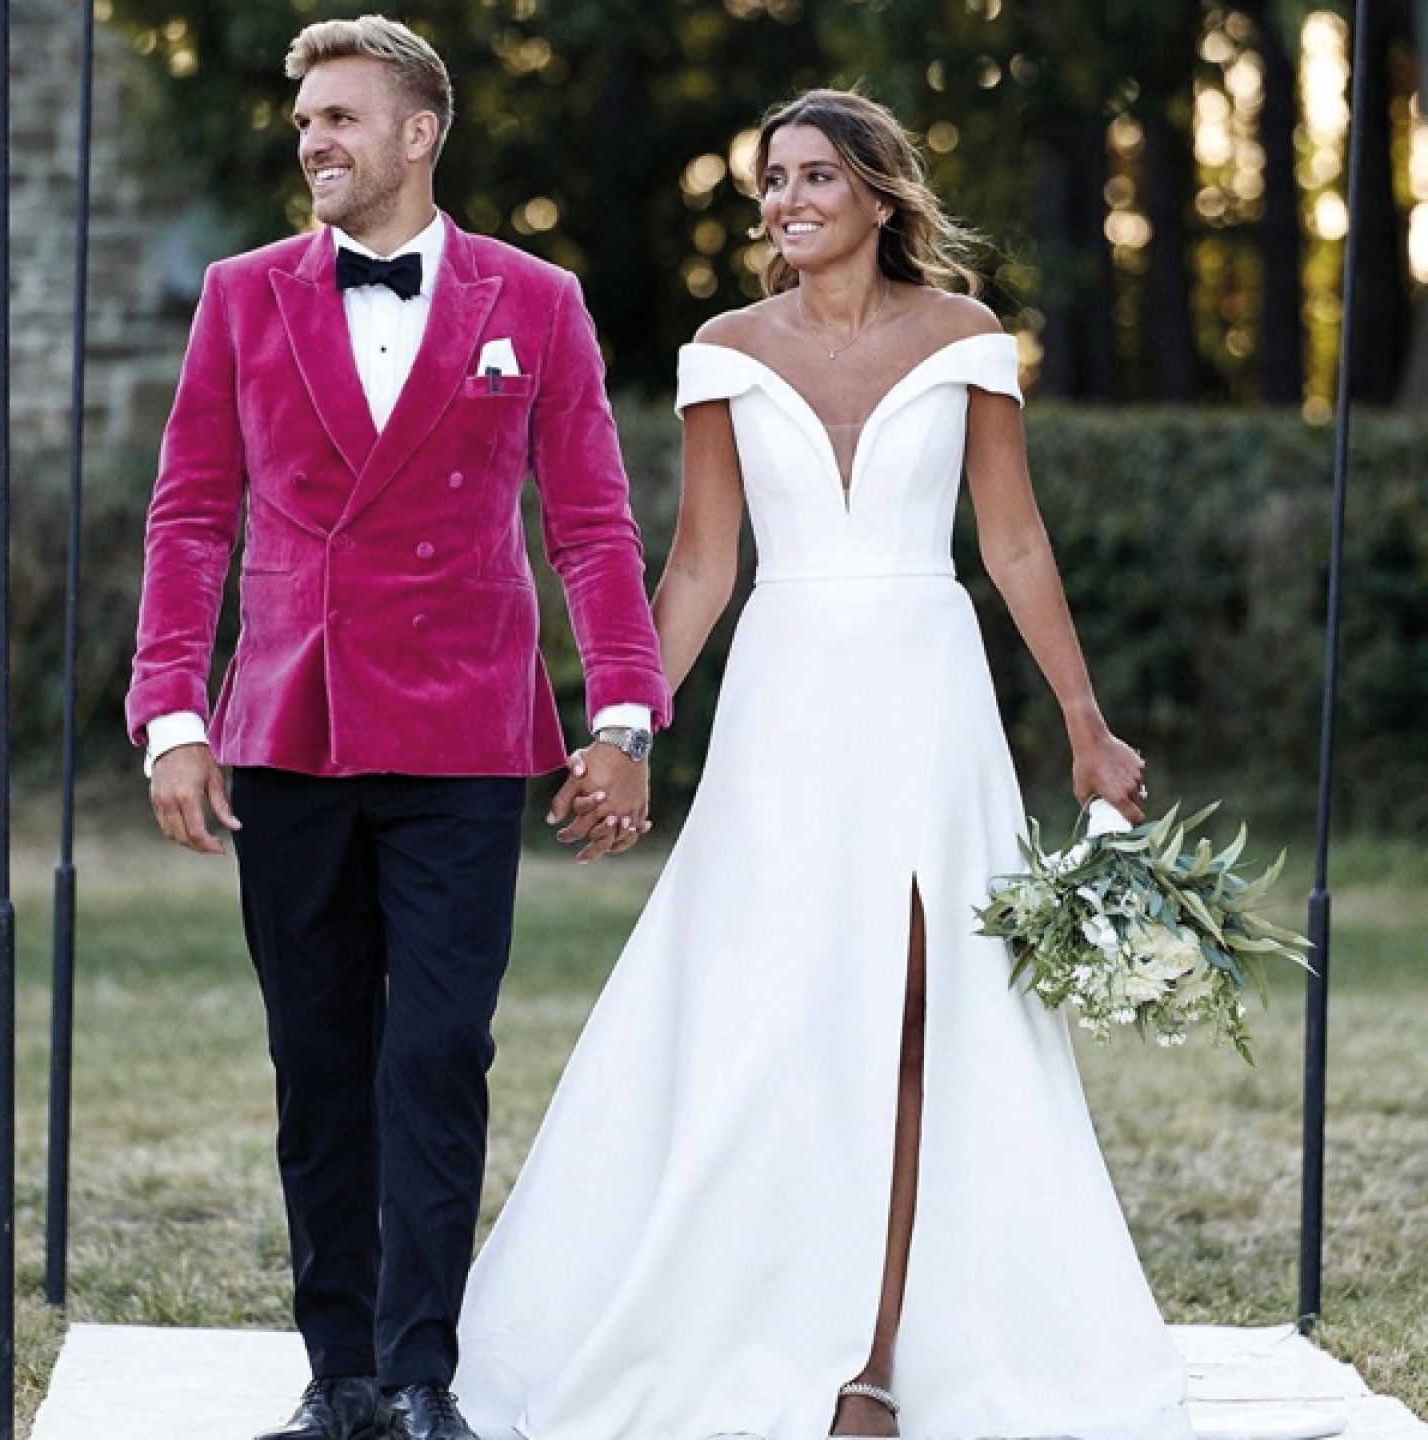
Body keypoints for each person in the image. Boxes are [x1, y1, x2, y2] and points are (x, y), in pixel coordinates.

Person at [456, 88, 1196, 1440]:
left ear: (877, 194)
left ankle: (880, 1359)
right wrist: (623, 727)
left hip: (929, 694)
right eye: (770, 182)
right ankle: (757, 1315)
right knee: (777, 1012)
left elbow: (1014, 543)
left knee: (927, 1010)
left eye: (810, 178)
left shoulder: (967, 339)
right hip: (787, 706)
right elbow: (699, 566)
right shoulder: (723, 352)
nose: (784, 202)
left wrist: (1086, 721)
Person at [126, 16, 669, 1440]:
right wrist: (172, 708)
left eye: (342, 118)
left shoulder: (536, 299)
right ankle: (339, 1378)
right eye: (305, 118)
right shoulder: (243, 295)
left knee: (435, 1052)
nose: (314, 140)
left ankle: (422, 1373)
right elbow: (191, 515)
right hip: (286, 730)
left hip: (465, 738)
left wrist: (622, 712)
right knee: (317, 1058)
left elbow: (593, 522)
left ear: (419, 134)